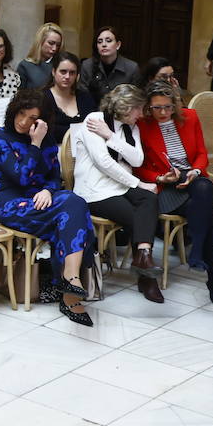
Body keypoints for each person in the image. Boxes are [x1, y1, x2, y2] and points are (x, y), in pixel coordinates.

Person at [0, 90, 97, 325]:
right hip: (11, 203)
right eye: (21, 114)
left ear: (42, 120)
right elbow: (21, 178)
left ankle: (70, 283)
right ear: (13, 111)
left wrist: (48, 190)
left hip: (44, 202)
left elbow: (54, 178)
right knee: (72, 207)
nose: (24, 121)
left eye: (32, 118)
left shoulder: (45, 140)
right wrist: (35, 144)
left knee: (73, 208)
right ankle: (70, 289)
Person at [133, 81, 213, 307]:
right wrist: (160, 178)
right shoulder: (142, 124)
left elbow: (200, 153)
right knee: (205, 211)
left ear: (175, 104)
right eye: (157, 108)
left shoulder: (190, 117)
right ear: (148, 106)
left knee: (205, 187)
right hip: (165, 184)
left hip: (192, 178)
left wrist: (195, 171)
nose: (163, 112)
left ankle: (199, 252)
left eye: (168, 107)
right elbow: (137, 166)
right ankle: (212, 276)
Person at [73, 84, 164, 304]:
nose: (142, 115)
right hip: (95, 190)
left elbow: (137, 159)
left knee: (149, 199)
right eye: (138, 109)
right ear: (124, 107)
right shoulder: (93, 121)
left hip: (120, 186)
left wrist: (110, 136)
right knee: (138, 217)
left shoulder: (131, 126)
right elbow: (103, 162)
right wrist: (138, 183)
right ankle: (147, 279)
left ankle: (143, 257)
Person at [41, 51, 96, 148]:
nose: (67, 77)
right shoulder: (42, 98)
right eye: (63, 72)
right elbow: (46, 131)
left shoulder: (85, 97)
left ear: (77, 75)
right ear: (54, 72)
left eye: (72, 73)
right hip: (52, 152)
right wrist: (80, 129)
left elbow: (95, 126)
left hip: (85, 150)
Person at [78, 26, 139, 106]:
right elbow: (82, 94)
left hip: (121, 114)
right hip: (92, 112)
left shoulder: (132, 68)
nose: (103, 44)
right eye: (99, 42)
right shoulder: (87, 65)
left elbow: (135, 99)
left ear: (118, 45)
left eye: (108, 41)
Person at [18, 22, 64, 90]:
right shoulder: (25, 66)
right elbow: (20, 95)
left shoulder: (60, 65)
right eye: (51, 43)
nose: (54, 48)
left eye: (58, 45)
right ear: (40, 42)